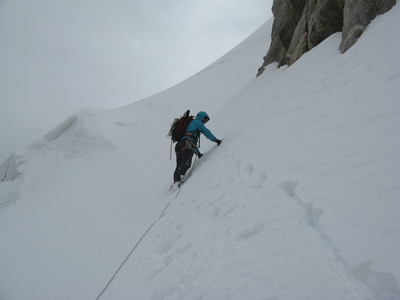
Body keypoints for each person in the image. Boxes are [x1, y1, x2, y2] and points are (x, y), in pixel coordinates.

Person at [173, 111, 221, 186]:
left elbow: (192, 145)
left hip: (179, 145)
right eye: (205, 119)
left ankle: (176, 181)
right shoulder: (197, 122)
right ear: (200, 117)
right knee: (186, 162)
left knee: (179, 164)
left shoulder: (191, 124)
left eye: (207, 120)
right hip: (186, 143)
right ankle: (180, 180)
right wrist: (216, 140)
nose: (205, 121)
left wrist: (198, 154)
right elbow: (206, 132)